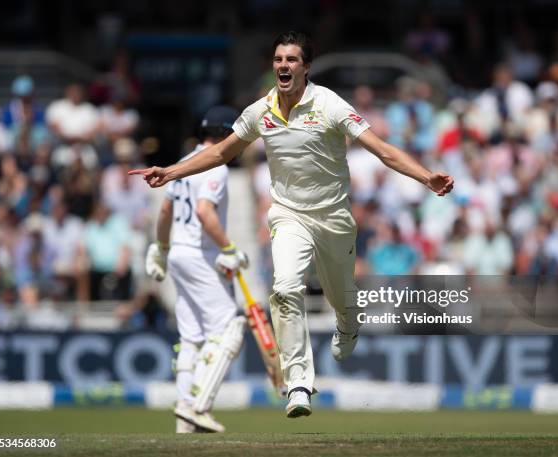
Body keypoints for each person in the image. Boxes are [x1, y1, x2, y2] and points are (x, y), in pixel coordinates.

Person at [130, 31, 454, 419]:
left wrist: (425, 177)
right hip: (288, 215)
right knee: (284, 289)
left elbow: (381, 149)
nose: (284, 66)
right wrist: (171, 172)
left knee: (341, 296)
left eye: (292, 60)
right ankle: (298, 382)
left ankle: (348, 324)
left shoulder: (329, 103)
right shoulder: (260, 111)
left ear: (306, 68)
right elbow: (220, 152)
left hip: (333, 216)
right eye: (279, 59)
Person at [144, 106, 248, 434]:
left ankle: (183, 421)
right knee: (229, 328)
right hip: (200, 256)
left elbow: (165, 209)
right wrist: (230, 249)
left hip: (178, 253)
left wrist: (161, 249)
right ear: (224, 134)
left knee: (191, 338)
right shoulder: (214, 165)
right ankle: (196, 406)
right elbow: (205, 212)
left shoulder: (184, 162)